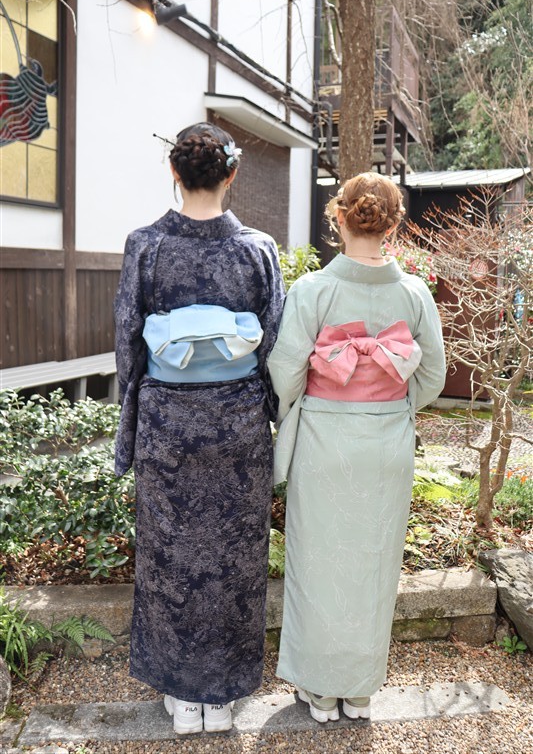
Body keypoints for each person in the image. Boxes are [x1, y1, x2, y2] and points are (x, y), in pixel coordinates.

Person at [114, 122, 285, 735]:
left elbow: (129, 343)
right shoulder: (258, 249)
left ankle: (182, 697)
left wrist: (132, 423)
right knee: (234, 558)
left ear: (175, 172)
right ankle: (222, 695)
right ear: (232, 174)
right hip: (238, 424)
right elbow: (276, 344)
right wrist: (269, 412)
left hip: (168, 423)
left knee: (170, 555)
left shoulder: (146, 245)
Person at [268, 172, 446, 723]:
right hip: (386, 444)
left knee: (318, 561)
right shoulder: (413, 292)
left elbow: (285, 369)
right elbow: (433, 376)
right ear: (393, 226)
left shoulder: (313, 290)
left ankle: (320, 689)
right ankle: (360, 690)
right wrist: (392, 405)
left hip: (325, 438)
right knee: (373, 564)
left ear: (338, 217)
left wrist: (306, 403)